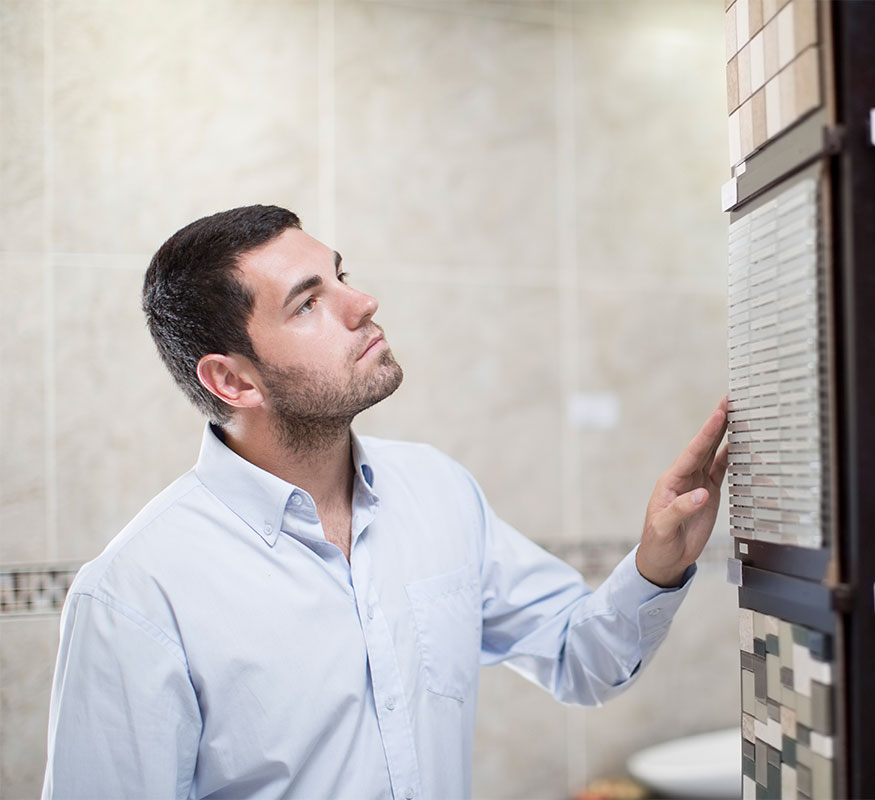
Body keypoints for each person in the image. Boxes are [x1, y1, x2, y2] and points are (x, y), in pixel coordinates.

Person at [41, 205, 729, 799]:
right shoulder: (137, 593)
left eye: (340, 274)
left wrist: (658, 564)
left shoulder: (439, 493)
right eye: (308, 302)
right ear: (232, 380)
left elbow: (583, 661)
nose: (361, 302)